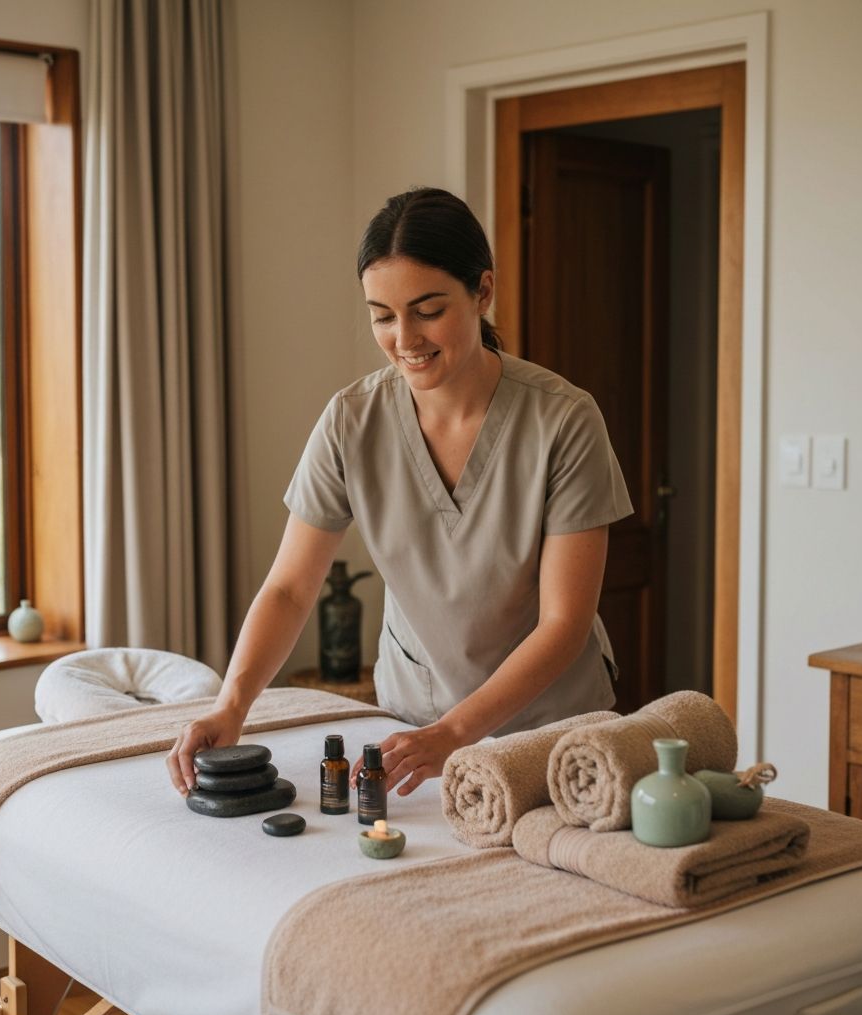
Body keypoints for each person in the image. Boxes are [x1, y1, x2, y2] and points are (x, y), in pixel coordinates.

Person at [167, 187, 633, 799]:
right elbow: (289, 586)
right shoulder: (351, 421)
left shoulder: (565, 421)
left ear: (483, 291)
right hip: (414, 723)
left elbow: (564, 623)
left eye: (428, 309)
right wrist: (231, 705)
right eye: (382, 315)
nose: (404, 337)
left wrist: (457, 732)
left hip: (548, 732)